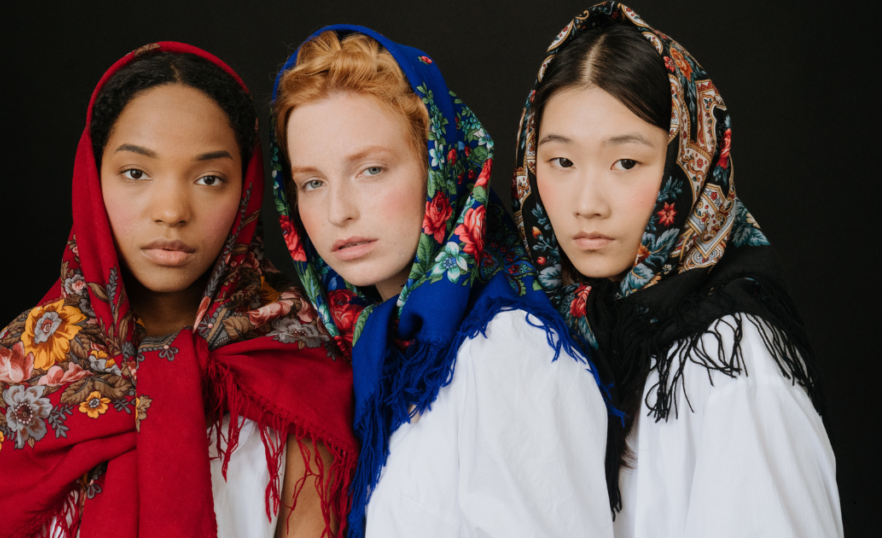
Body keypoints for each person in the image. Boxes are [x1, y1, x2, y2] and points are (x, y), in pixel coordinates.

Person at [0, 42, 357, 538]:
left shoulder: (293, 353)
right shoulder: (17, 372)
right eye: (136, 173)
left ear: (245, 187)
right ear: (93, 178)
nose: (171, 210)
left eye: (210, 178)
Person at [511, 3, 843, 536]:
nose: (587, 203)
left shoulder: (732, 366)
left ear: (689, 164)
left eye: (626, 162)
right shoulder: (574, 329)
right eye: (562, 162)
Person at [271, 26, 614, 537]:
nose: (338, 211)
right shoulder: (379, 353)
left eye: (371, 170)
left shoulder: (507, 351)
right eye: (313, 183)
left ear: (440, 168)